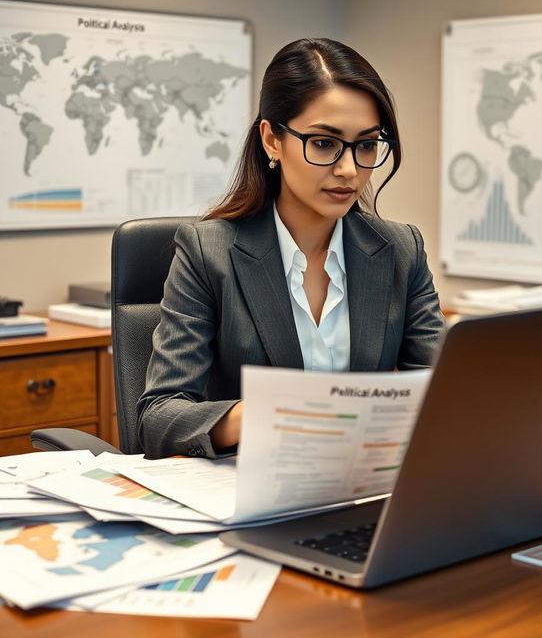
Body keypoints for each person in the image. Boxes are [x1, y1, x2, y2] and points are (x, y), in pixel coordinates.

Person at [137, 38, 445, 459]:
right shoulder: (208, 252)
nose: (349, 170)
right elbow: (158, 418)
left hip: (364, 487)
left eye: (367, 144)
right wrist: (271, 413)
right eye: (323, 143)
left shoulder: (401, 250)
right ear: (271, 140)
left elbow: (439, 393)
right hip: (250, 492)